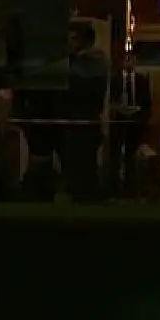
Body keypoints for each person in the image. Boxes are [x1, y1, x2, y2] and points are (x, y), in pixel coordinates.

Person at [60, 21, 109, 202]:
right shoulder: (80, 63)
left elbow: (78, 88)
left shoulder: (92, 64)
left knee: (83, 172)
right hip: (75, 124)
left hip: (84, 124)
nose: (69, 43)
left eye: (73, 39)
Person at [110, 51, 152, 197]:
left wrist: (140, 118)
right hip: (119, 122)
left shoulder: (141, 80)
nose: (128, 62)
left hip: (135, 124)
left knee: (131, 155)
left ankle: (131, 186)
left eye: (131, 59)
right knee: (116, 154)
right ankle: (116, 187)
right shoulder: (116, 80)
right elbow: (112, 100)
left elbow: (146, 103)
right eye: (126, 59)